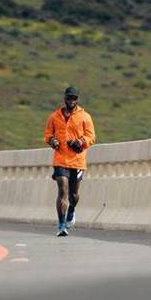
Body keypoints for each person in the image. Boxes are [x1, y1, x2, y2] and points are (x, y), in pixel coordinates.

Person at [44, 85, 96, 236]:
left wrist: (81, 142)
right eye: (69, 98)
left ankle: (71, 210)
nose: (71, 101)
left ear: (77, 99)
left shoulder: (85, 117)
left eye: (74, 98)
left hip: (77, 160)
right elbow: (47, 135)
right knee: (62, 191)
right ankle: (61, 225)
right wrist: (52, 141)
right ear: (64, 98)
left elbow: (92, 136)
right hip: (60, 159)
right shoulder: (54, 116)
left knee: (73, 195)